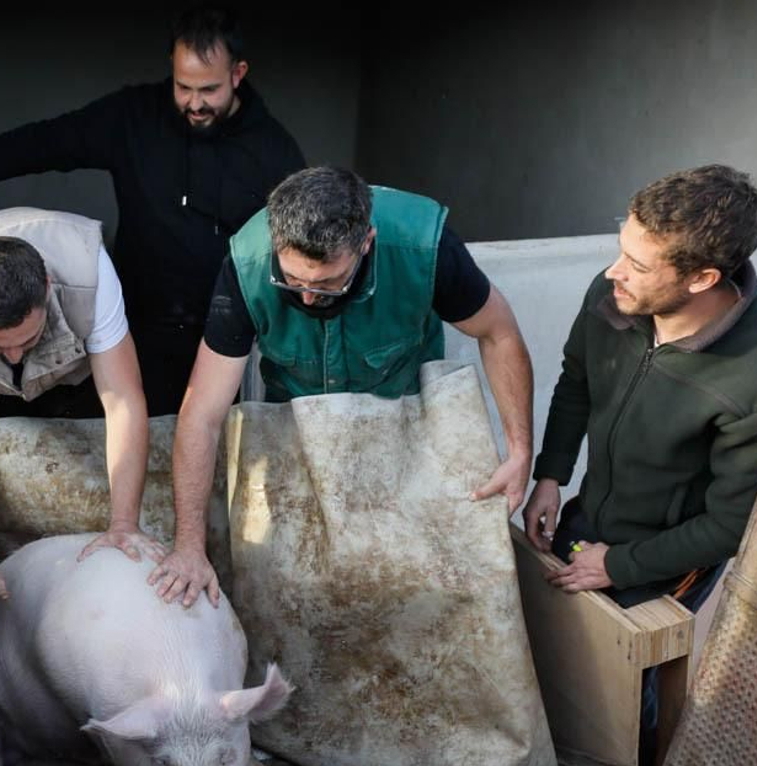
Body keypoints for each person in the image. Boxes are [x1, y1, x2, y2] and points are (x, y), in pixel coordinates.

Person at [522, 164, 757, 766]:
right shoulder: (616, 294)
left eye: (638, 263)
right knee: (563, 645)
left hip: (670, 553)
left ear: (703, 278)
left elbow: (732, 525)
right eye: (620, 249)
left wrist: (620, 565)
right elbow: (577, 380)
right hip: (593, 510)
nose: (613, 272)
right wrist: (551, 475)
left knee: (630, 686)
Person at [149, 165, 538, 607]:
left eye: (327, 283)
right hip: (296, 425)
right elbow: (201, 415)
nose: (308, 296)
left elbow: (499, 333)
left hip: (404, 424)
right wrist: (189, 546)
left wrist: (519, 450)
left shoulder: (423, 246)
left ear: (366, 242)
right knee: (296, 581)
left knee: (416, 582)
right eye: (292, 281)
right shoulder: (247, 264)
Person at [0, 5, 304, 416]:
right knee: (125, 426)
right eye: (183, 87)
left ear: (238, 73)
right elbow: (51, 141)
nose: (194, 103)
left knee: (206, 436)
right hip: (135, 325)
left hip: (219, 336)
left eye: (209, 90)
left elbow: (296, 245)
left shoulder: (273, 150)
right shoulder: (134, 116)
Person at [0, 207, 155, 648]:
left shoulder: (90, 275)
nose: (15, 355)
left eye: (27, 339)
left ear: (48, 289)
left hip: (73, 379)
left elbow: (123, 401)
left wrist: (124, 524)